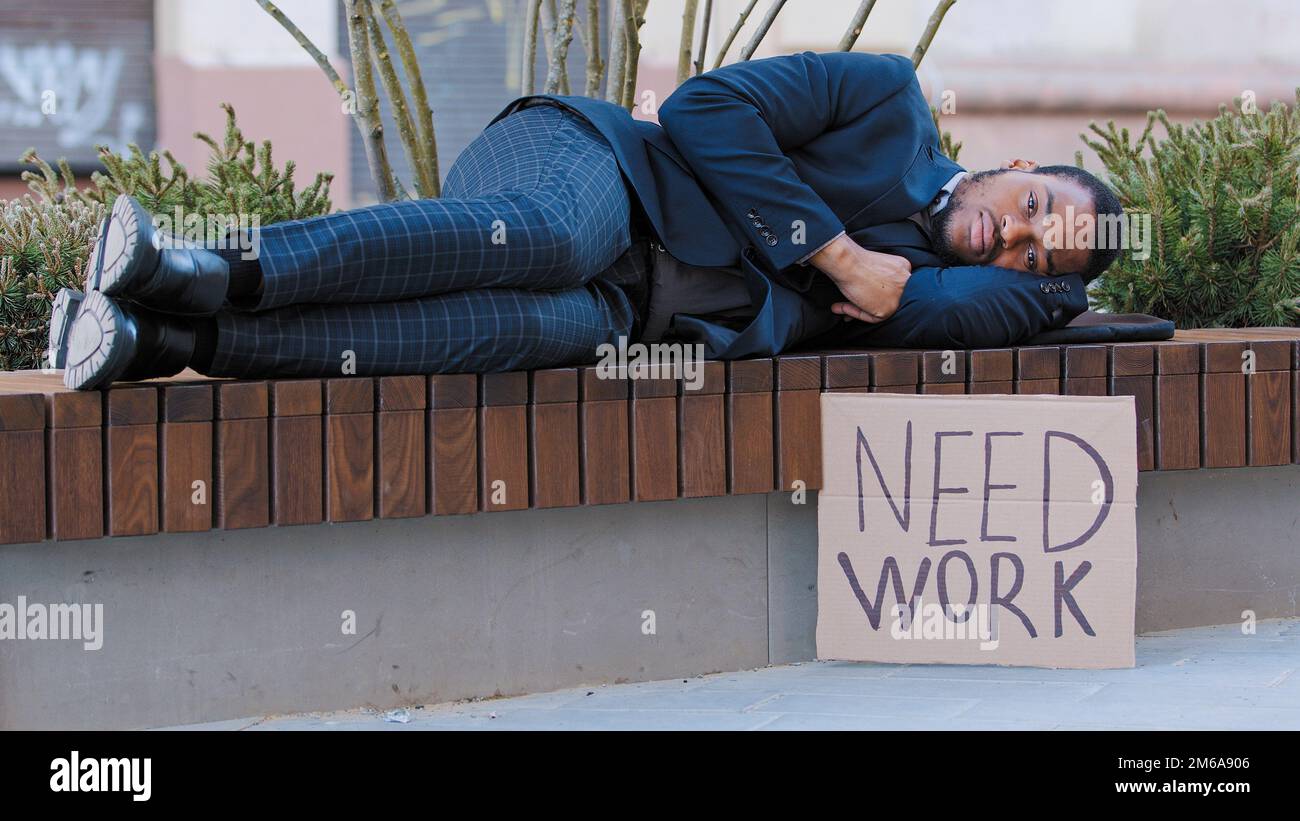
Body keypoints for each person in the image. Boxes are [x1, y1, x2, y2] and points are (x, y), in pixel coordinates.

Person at [52, 51, 1143, 391]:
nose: (1013, 237)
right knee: (549, 241)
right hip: (596, 166)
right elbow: (705, 106)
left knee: (529, 331)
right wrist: (835, 251)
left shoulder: (940, 292)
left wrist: (1066, 294)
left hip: (641, 308)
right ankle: (203, 262)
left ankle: (168, 340)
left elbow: (969, 311)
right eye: (1033, 207)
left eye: (1036, 256)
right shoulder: (887, 102)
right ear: (1012, 163)